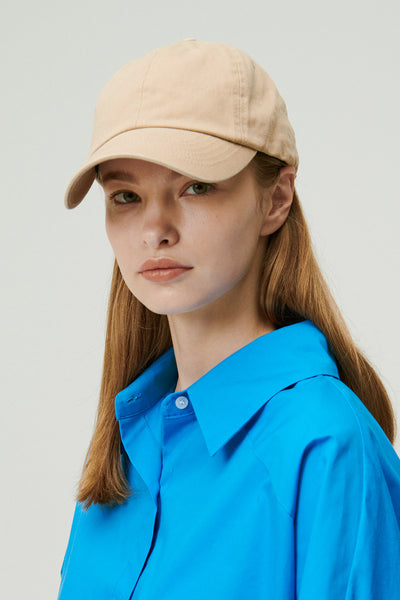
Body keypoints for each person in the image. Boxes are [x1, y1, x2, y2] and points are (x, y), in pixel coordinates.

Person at [58, 39, 400, 599]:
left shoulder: (325, 444)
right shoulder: (125, 449)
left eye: (196, 186)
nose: (155, 229)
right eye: (126, 196)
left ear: (276, 198)